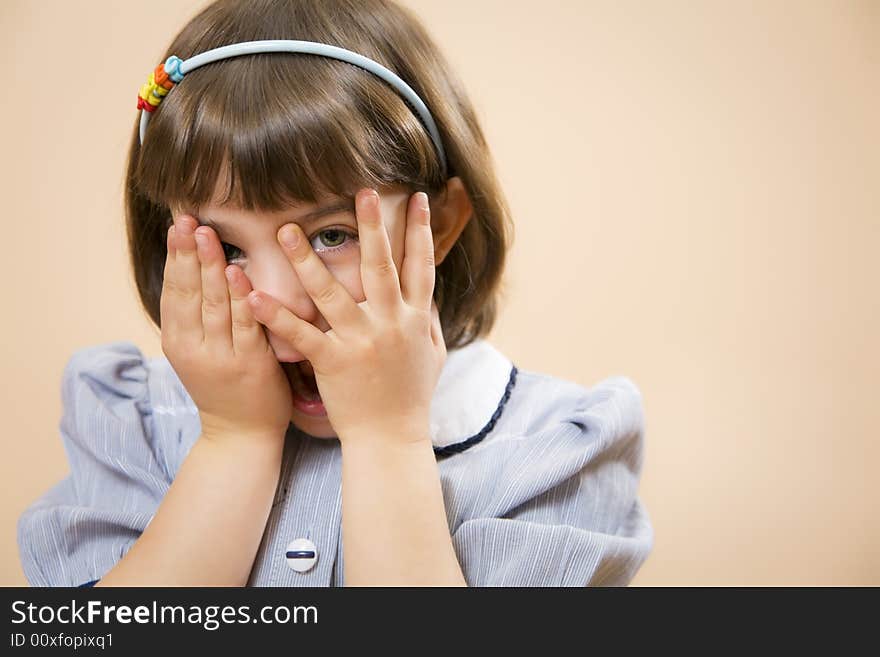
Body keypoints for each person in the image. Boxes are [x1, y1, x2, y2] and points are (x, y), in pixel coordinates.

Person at [17, 0, 653, 587]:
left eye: (330, 236)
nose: (281, 298)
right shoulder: (137, 426)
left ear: (445, 224)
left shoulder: (551, 451)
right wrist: (232, 440)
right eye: (228, 247)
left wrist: (387, 437)